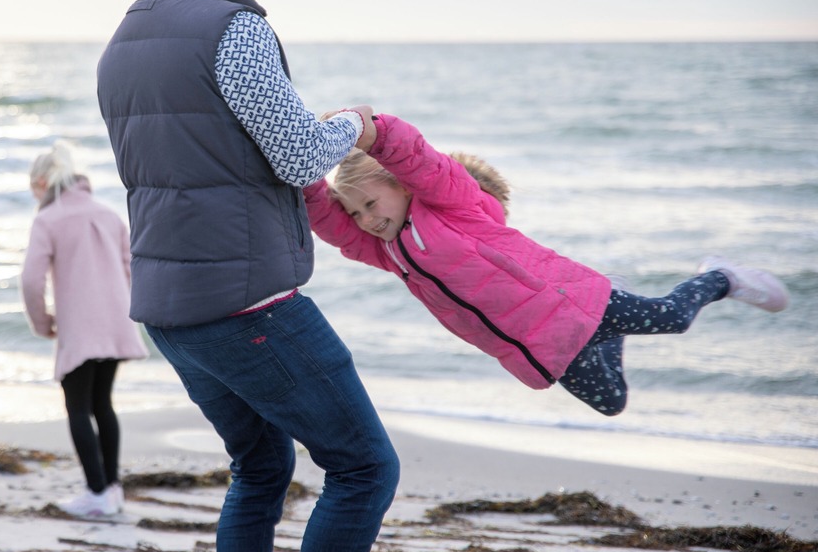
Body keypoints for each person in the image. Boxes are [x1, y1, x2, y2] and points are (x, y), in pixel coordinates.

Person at [96, 0, 399, 552]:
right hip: (245, 301)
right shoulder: (234, 26)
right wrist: (356, 122)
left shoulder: (122, 41)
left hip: (169, 309)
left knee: (259, 467)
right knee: (364, 467)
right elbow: (296, 155)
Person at [305, 112, 791, 416]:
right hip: (542, 343)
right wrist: (300, 177)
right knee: (612, 402)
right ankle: (615, 310)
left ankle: (720, 276)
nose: (366, 219)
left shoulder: (452, 207)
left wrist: (375, 130)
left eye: (371, 204)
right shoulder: (391, 253)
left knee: (674, 317)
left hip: (569, 304)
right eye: (357, 212)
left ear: (402, 186)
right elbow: (331, 224)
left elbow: (422, 160)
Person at [20, 140, 149, 518]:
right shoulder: (108, 214)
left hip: (79, 327)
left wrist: (42, 323)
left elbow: (30, 281)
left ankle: (95, 493)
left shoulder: (48, 219)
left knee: (77, 406)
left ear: (42, 182)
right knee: (102, 404)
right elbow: (131, 269)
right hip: (116, 320)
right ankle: (112, 489)